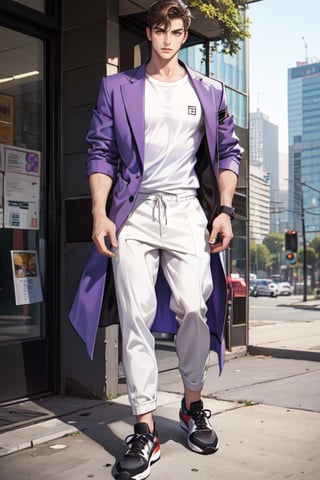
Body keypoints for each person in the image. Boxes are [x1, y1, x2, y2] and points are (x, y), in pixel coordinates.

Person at [70, 1, 243, 478]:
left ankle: (191, 402)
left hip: (188, 209)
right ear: (149, 33)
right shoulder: (118, 87)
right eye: (160, 30)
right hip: (134, 210)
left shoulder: (208, 90)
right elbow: (101, 152)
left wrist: (225, 210)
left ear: (185, 35)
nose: (168, 39)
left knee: (193, 304)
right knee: (136, 315)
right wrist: (101, 212)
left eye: (176, 32)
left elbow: (229, 151)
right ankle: (144, 426)